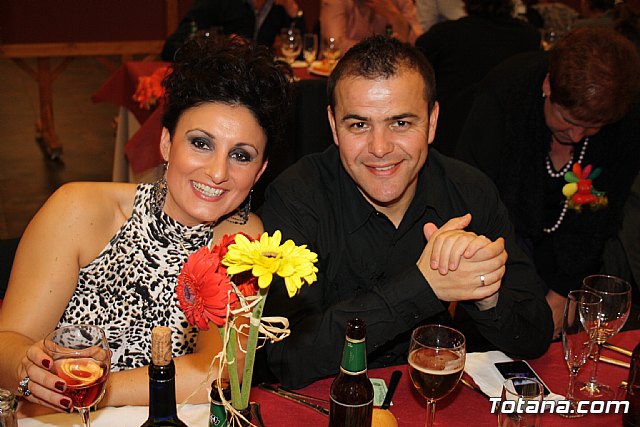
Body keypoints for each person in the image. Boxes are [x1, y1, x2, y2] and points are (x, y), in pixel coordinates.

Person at [0, 35, 293, 414]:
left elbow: (220, 372)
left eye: (240, 155)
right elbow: (8, 341)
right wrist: (27, 368)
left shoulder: (243, 242)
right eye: (201, 143)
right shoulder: (79, 210)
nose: (218, 172)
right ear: (167, 143)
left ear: (260, 172)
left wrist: (97, 389)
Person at [259, 35, 553, 389]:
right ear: (334, 126)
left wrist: (488, 293)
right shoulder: (296, 197)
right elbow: (285, 358)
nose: (380, 148)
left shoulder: (469, 192)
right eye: (359, 125)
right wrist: (423, 286)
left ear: (432, 121)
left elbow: (535, 337)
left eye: (401, 123)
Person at [455, 27, 640, 338]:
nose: (577, 136)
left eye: (592, 127)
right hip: (494, 251)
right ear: (547, 86)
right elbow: (473, 196)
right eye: (568, 120)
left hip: (577, 256)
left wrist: (564, 289)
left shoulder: (626, 120)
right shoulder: (505, 94)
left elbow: (601, 215)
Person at [415, 0, 540, 155]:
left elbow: (416, 71)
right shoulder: (529, 36)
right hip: (509, 141)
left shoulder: (444, 35)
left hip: (450, 140)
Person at [161, 0, 304, 61]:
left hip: (259, 84)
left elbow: (304, 53)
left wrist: (293, 12)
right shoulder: (217, 3)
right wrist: (222, 45)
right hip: (219, 82)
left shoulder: (279, 6)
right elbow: (172, 48)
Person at [319, 0, 423, 54]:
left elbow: (420, 43)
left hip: (391, 73)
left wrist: (393, 15)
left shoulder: (399, 2)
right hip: (342, 75)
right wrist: (384, 49)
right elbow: (335, 46)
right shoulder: (336, 2)